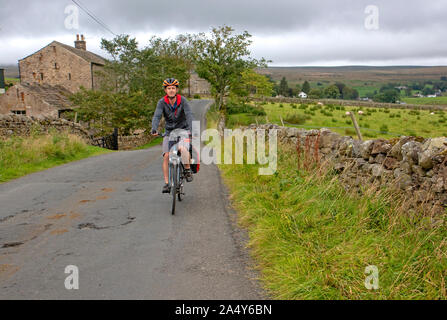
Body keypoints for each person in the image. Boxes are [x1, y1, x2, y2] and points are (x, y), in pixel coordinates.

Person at [151, 78, 194, 193]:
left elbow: (189, 115)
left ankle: (187, 169)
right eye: (169, 88)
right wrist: (154, 128)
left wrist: (191, 129)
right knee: (166, 156)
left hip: (183, 130)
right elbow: (157, 116)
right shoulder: (162, 102)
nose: (171, 90)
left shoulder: (183, 101)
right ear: (165, 90)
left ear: (176, 90)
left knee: (183, 148)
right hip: (169, 132)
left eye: (173, 88)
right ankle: (166, 184)